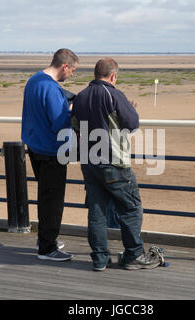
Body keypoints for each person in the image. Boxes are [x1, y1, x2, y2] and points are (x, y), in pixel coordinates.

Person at [72, 57, 161, 271]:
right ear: (113, 76)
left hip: (89, 161)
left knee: (97, 212)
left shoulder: (81, 97)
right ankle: (133, 256)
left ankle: (100, 259)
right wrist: (130, 109)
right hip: (113, 161)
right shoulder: (114, 94)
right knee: (131, 208)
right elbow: (132, 124)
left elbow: (75, 126)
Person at [21, 48, 78, 261]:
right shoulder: (52, 89)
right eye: (72, 70)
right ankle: (47, 248)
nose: (71, 74)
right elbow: (60, 124)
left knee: (45, 196)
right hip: (51, 151)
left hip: (34, 146)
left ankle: (44, 239)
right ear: (65, 66)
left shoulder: (34, 80)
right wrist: (71, 111)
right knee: (52, 200)